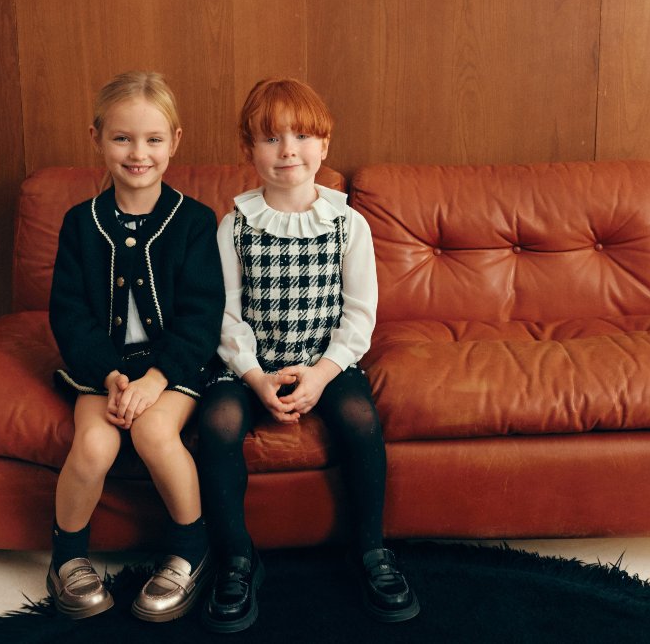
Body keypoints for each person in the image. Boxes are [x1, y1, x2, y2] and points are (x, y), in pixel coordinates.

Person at [198, 78, 420, 633]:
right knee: (218, 422)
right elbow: (224, 315)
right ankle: (238, 559)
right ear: (249, 150)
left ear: (324, 146)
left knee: (359, 417)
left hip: (326, 362)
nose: (287, 151)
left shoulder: (349, 224)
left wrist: (322, 376)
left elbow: (359, 314)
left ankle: (371, 550)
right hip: (248, 365)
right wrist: (253, 377)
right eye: (270, 139)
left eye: (301, 137)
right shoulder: (235, 225)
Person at [47, 71, 224, 622]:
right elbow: (69, 316)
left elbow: (202, 316)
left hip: (175, 366)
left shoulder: (194, 222)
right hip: (102, 370)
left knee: (152, 430)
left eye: (152, 139)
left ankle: (189, 552)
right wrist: (109, 377)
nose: (137, 152)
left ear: (175, 141)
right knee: (95, 447)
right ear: (96, 138)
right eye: (122, 138)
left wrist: (156, 379)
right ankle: (67, 558)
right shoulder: (80, 224)